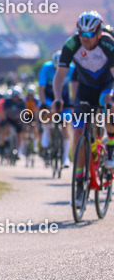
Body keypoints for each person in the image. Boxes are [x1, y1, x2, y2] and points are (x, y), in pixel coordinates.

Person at [53, 11, 114, 176]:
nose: (85, 37)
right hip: (85, 90)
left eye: (89, 33)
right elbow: (60, 75)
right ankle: (79, 176)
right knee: (79, 133)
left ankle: (111, 145)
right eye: (81, 33)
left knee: (108, 101)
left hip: (106, 87)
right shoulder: (72, 44)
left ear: (99, 33)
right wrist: (58, 97)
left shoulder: (108, 44)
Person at [39, 49, 75, 167]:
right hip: (49, 96)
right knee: (48, 111)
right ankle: (46, 131)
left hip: (64, 98)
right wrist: (44, 103)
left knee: (65, 124)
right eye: (55, 69)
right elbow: (41, 88)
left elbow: (76, 86)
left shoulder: (72, 69)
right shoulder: (46, 67)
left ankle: (65, 158)